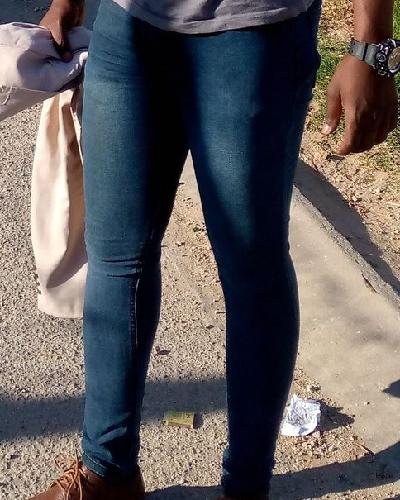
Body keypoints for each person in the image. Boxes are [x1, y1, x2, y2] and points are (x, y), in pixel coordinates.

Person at [31, 0, 398, 498]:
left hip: (254, 32)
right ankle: (106, 471)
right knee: (115, 258)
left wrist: (371, 47)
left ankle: (245, 486)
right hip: (129, 25)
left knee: (252, 272)